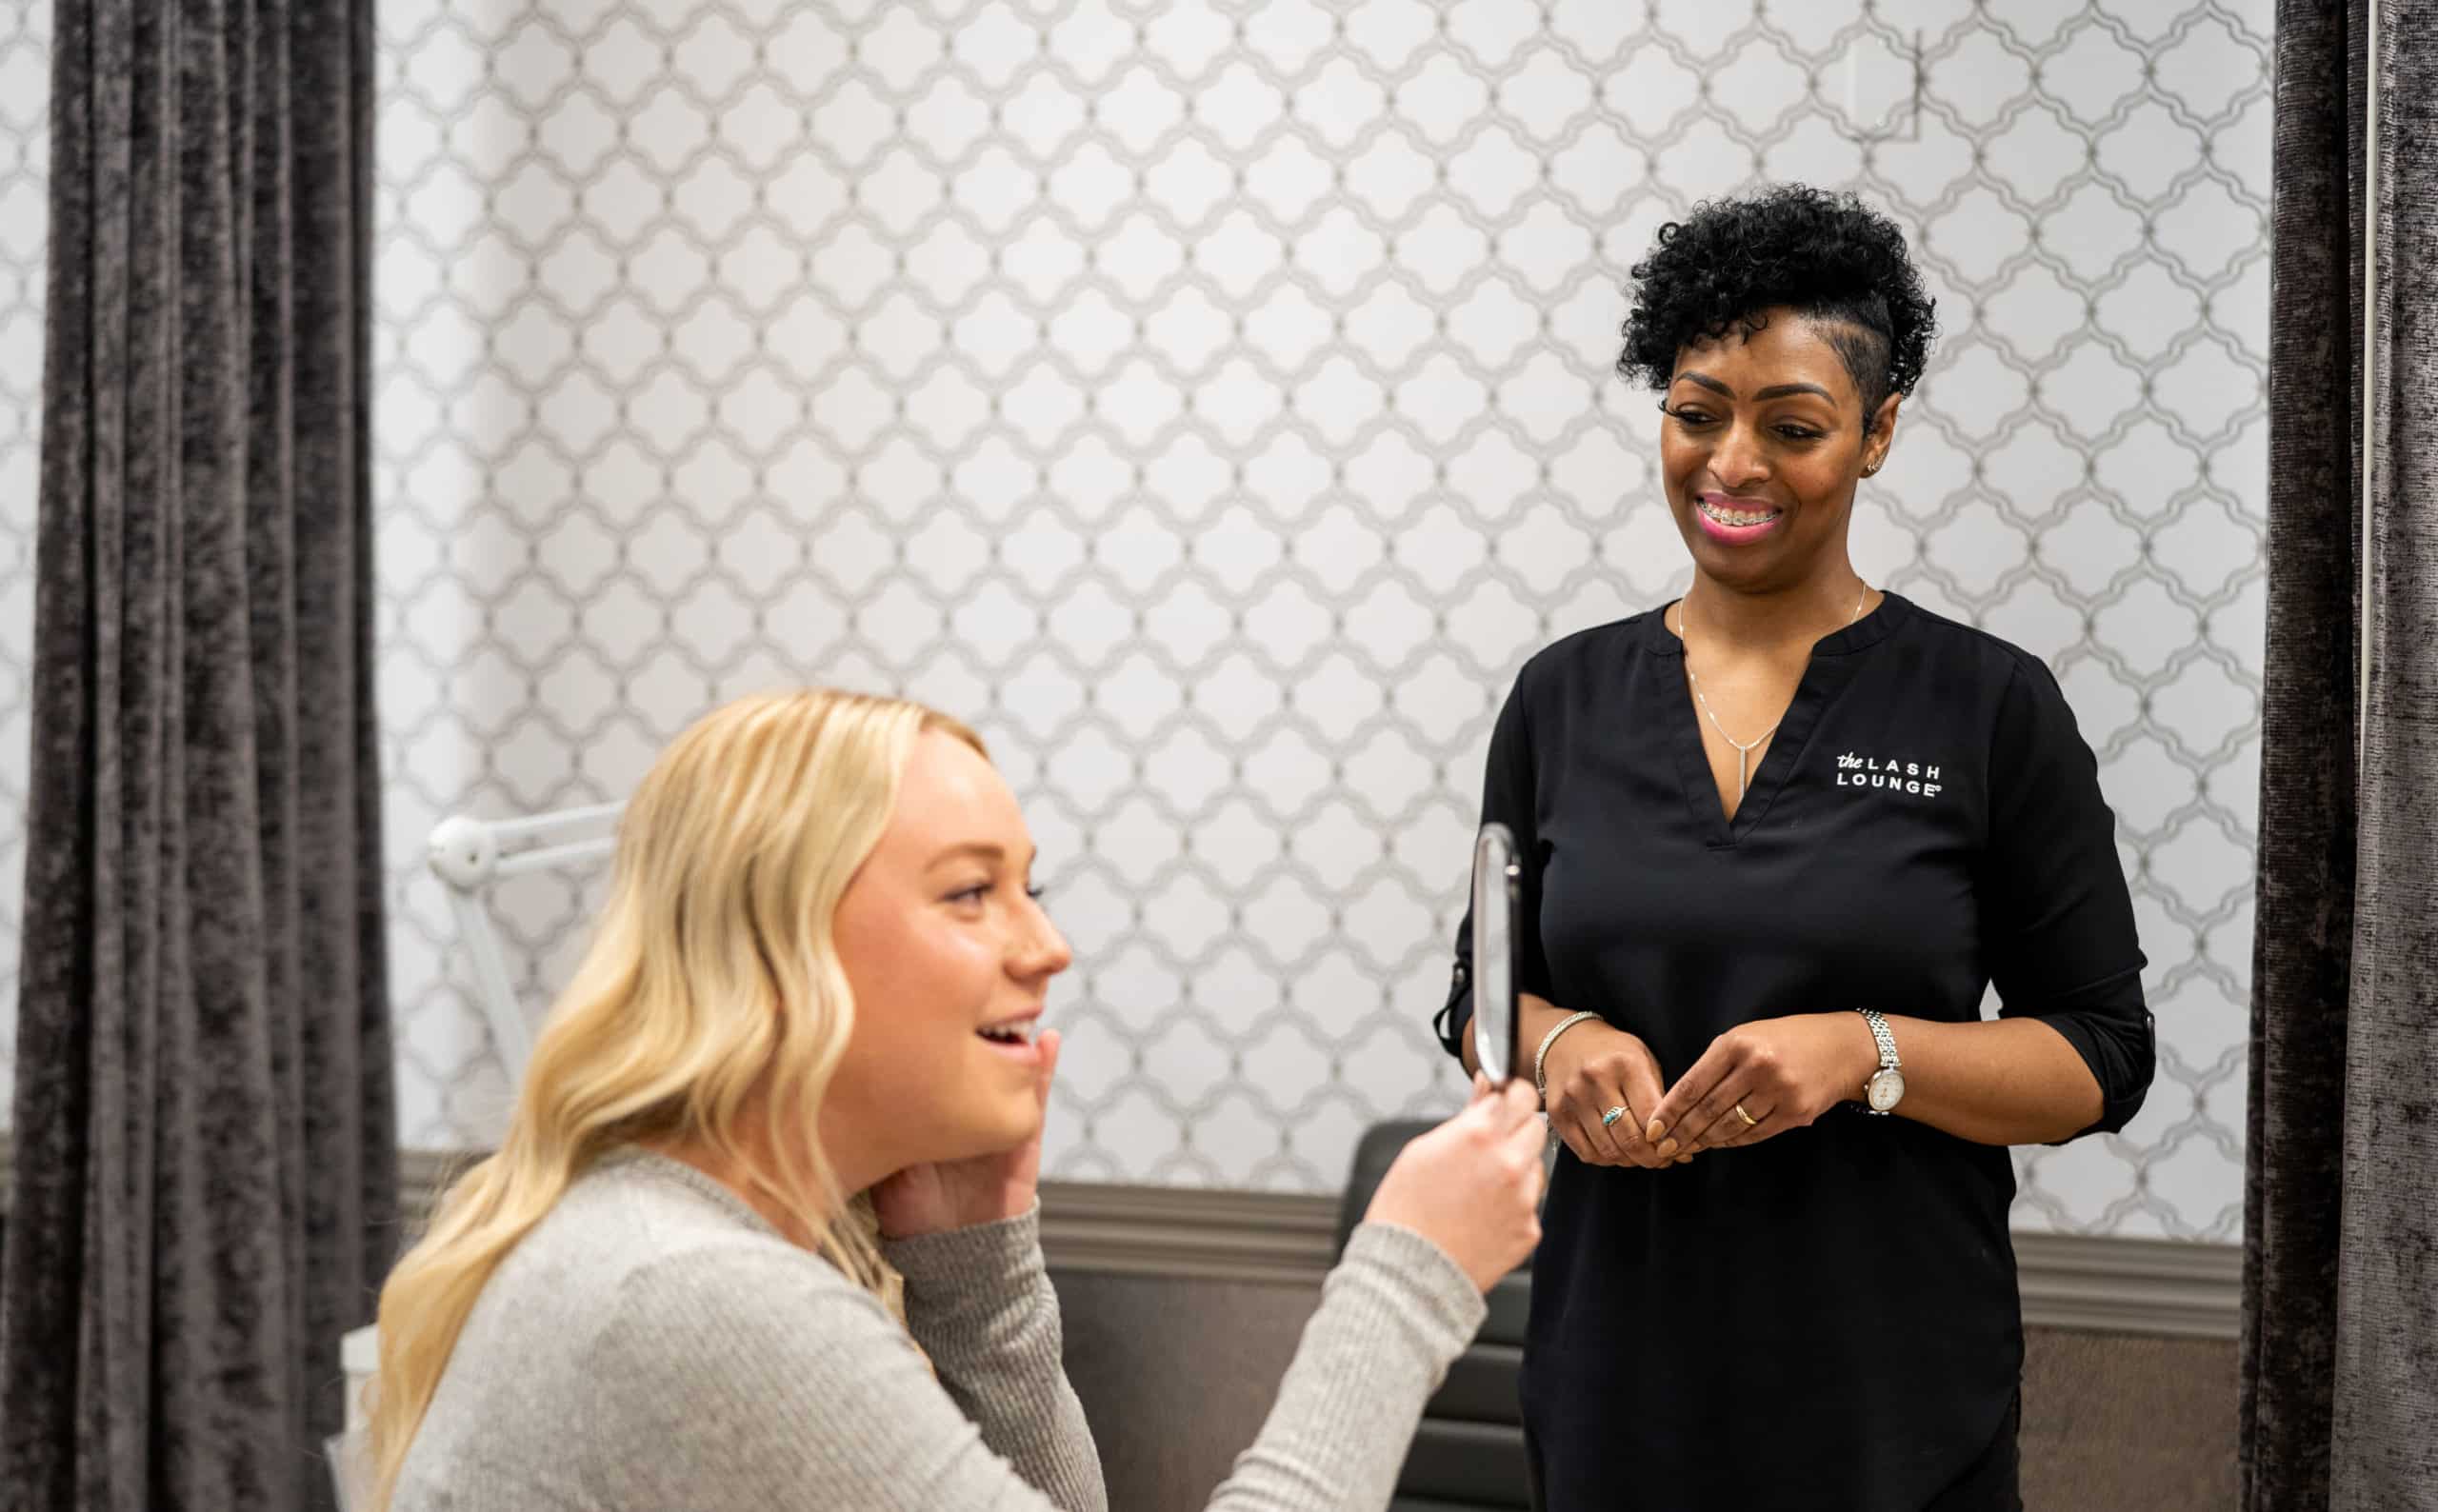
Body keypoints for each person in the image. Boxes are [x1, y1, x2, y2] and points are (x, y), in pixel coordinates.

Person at [370, 688, 1547, 1511]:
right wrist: (1406, 1276)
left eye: (1027, 888)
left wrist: (979, 1280)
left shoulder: (659, 1241)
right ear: (784, 947)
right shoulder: (696, 1295)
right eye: (971, 893)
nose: (1047, 947)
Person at [1431, 186, 2155, 1512]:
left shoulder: (1988, 706)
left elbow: (2103, 1056)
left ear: (1878, 434)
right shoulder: (1564, 698)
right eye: (1696, 413)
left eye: (1795, 426)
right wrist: (1554, 1045)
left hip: (1890, 1406)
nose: (1734, 466)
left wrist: (1863, 1054)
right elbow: (1477, 1005)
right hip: (1616, 1386)